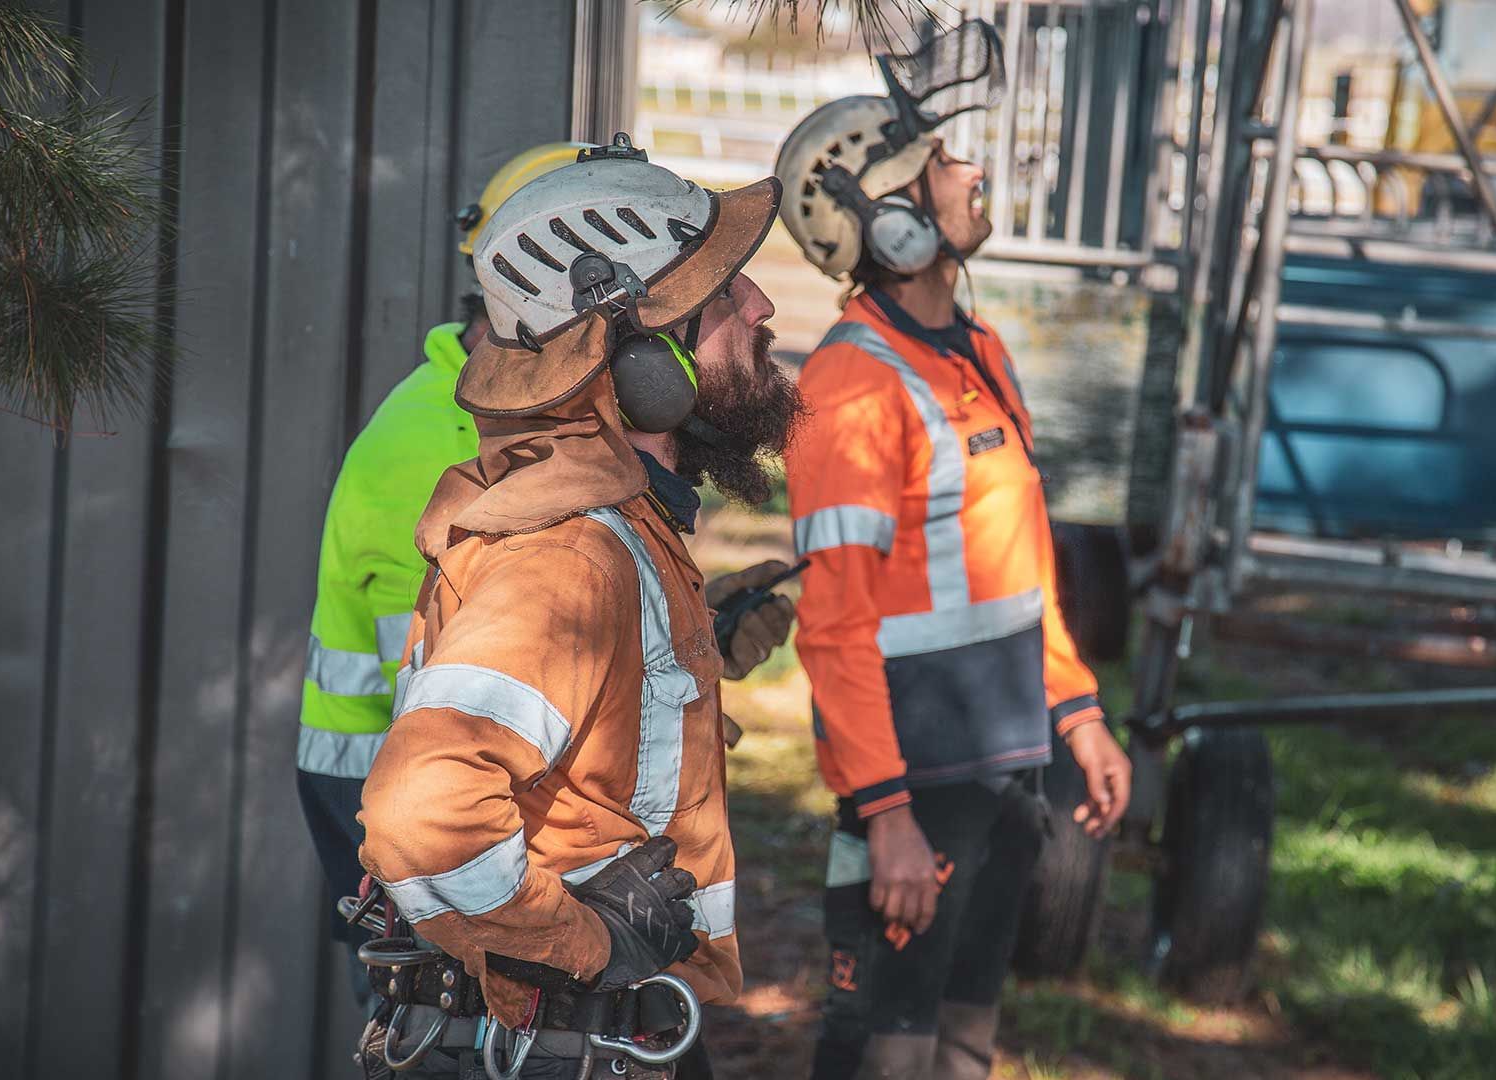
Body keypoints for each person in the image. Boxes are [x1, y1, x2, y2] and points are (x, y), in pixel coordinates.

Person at [296, 143, 796, 1014]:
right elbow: (423, 812)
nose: (761, 306)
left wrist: (685, 647)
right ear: (643, 363)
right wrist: (584, 947)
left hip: (626, 1018)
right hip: (581, 1020)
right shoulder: (571, 553)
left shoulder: (624, 526)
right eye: (722, 295)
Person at [774, 22, 1133, 1080]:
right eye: (941, 164)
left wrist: (1080, 713)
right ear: (887, 224)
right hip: (915, 785)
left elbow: (1021, 576)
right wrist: (884, 813)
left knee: (964, 1044)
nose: (971, 174)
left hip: (1008, 771)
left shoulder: (978, 351)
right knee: (884, 1049)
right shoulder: (848, 390)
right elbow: (832, 625)